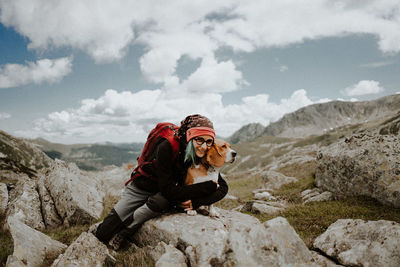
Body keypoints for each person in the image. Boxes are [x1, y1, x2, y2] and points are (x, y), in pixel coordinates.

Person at [95, 114, 228, 246]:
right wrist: (207, 187)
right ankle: (116, 224)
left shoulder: (201, 152)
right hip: (141, 188)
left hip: (164, 194)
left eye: (208, 141)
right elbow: (170, 190)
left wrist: (193, 202)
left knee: (161, 201)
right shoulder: (167, 146)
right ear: (189, 136)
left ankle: (125, 231)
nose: (204, 146)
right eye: (199, 139)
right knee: (103, 233)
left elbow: (223, 187)